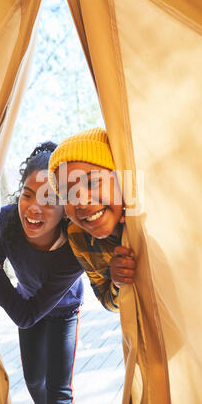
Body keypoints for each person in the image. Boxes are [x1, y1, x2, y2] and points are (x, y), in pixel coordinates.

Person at [0, 142, 84, 404]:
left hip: (63, 312)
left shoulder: (73, 252)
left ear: (67, 208)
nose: (34, 208)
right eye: (28, 195)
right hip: (26, 299)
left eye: (50, 200)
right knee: (33, 383)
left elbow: (23, 314)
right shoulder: (8, 220)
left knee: (59, 401)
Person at [47, 127, 136, 313]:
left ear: (120, 180)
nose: (81, 201)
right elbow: (107, 301)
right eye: (67, 193)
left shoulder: (148, 218)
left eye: (93, 182)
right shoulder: (77, 235)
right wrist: (118, 283)